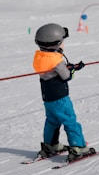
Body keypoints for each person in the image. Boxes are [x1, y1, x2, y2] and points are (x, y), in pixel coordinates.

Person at [33, 23, 95, 161]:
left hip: (48, 97)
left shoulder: (39, 57)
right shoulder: (56, 60)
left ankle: (50, 145)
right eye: (62, 41)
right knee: (70, 121)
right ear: (56, 43)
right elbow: (66, 76)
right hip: (60, 97)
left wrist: (68, 67)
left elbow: (51, 71)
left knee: (52, 121)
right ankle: (78, 147)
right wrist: (72, 70)